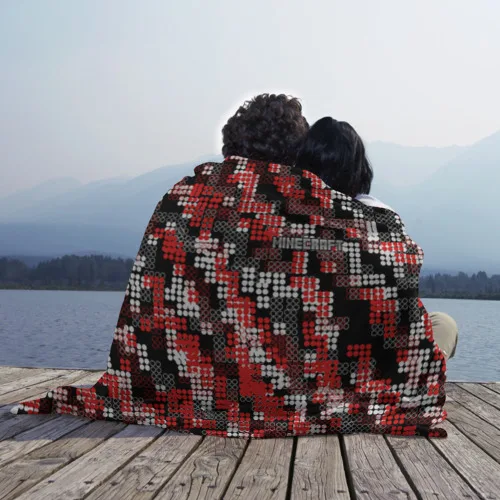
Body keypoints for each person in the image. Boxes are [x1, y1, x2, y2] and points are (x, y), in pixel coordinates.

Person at [12, 95, 451, 438]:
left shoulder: (184, 200)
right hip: (304, 388)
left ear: (229, 146)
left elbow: (150, 305)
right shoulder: (315, 214)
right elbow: (394, 276)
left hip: (187, 388)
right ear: (295, 156)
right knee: (439, 327)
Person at [296, 116, 458, 361]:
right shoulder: (385, 221)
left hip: (309, 355)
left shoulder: (288, 218)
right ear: (359, 169)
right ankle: (431, 373)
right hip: (374, 363)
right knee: (444, 323)